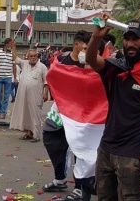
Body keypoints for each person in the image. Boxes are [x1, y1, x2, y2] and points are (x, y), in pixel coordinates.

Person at [86, 19, 140, 201]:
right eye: (127, 39)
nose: (130, 44)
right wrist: (96, 36)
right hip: (105, 149)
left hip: (131, 154)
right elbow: (91, 60)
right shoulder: (117, 67)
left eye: (136, 39)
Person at [43, 30, 97, 201]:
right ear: (77, 44)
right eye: (86, 47)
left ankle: (82, 187)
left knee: (80, 150)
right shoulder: (62, 60)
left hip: (83, 114)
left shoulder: (93, 62)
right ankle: (60, 179)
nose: (88, 51)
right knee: (51, 139)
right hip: (61, 111)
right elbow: (53, 78)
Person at [10, 44, 48, 142]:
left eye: (35, 56)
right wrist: (13, 47)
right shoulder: (24, 63)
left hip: (36, 95)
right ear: (28, 57)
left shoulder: (42, 67)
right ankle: (28, 133)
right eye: (31, 56)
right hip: (24, 94)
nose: (33, 58)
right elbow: (15, 57)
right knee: (26, 113)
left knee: (35, 114)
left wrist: (45, 93)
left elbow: (46, 82)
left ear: (37, 57)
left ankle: (36, 135)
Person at [0, 38, 16, 119]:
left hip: (8, 77)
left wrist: (15, 77)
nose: (11, 45)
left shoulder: (12, 54)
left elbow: (14, 65)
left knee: (6, 96)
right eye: (10, 44)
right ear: (6, 44)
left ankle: (3, 112)